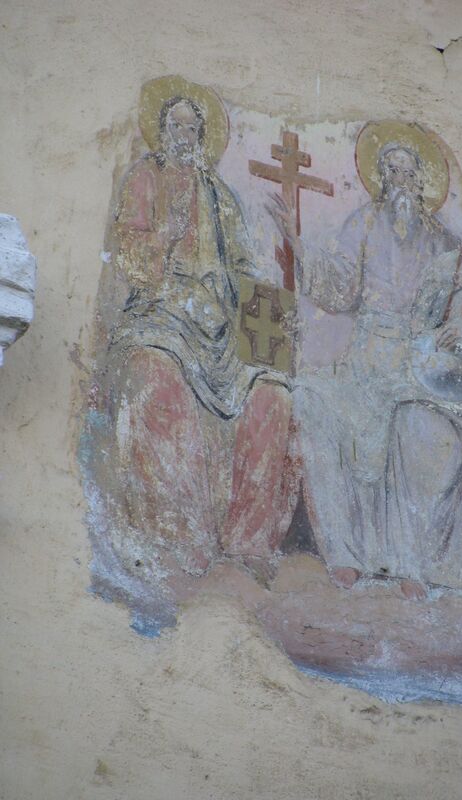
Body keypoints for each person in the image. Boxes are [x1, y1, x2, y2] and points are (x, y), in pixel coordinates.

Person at [272, 138, 462, 598]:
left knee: (416, 424)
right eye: (392, 171)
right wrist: (299, 246)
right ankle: (346, 553)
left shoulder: (444, 241)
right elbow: (340, 286)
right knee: (311, 403)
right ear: (381, 178)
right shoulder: (363, 223)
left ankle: (411, 562)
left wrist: (458, 324)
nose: (399, 181)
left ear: (422, 182)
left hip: (416, 367)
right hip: (364, 364)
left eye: (408, 173)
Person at [96, 86, 293, 587]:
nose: (183, 136)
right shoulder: (146, 178)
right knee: (156, 376)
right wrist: (168, 233)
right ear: (161, 132)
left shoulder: (219, 194)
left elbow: (243, 268)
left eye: (191, 128)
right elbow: (129, 253)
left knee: (272, 395)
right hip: (161, 310)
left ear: (203, 137)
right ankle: (179, 536)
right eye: (175, 126)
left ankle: (248, 543)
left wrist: (271, 314)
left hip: (219, 324)